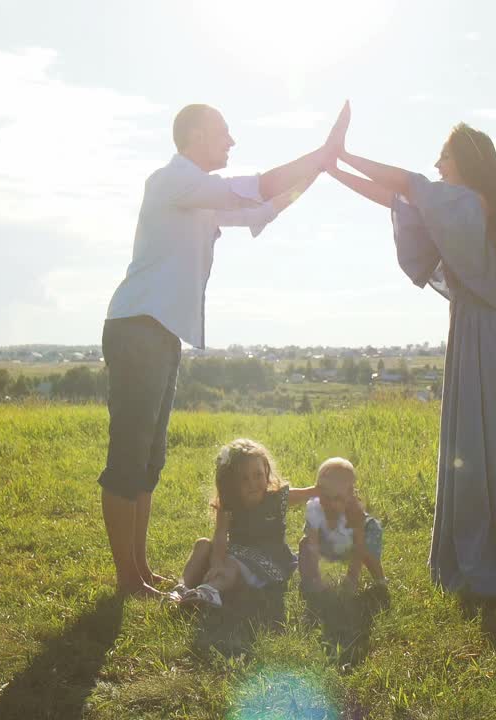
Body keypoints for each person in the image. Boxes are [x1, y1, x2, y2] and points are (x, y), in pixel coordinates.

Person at [99, 103, 346, 598]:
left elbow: (265, 205)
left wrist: (318, 171)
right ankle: (128, 580)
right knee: (129, 457)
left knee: (149, 460)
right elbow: (259, 185)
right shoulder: (174, 180)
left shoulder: (201, 196)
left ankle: (140, 572)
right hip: (137, 328)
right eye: (223, 133)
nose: (231, 142)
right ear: (195, 135)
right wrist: (320, 153)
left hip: (160, 332)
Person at [325, 104, 496, 597]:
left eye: (445, 157)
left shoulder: (469, 203)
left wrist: (343, 153)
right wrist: (333, 170)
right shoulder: (471, 206)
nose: (438, 165)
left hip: (491, 344)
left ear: (466, 161)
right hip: (491, 341)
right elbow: (397, 197)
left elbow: (407, 184)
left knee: (494, 456)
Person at [171, 439, 318, 608]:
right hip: (236, 553)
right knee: (202, 544)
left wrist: (328, 488)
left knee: (231, 565)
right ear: (232, 482)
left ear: (266, 471)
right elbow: (220, 535)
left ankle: (210, 591)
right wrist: (217, 563)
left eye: (258, 475)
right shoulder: (229, 504)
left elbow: (308, 493)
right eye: (244, 479)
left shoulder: (276, 498)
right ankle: (181, 589)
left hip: (268, 560)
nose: (252, 484)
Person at [298, 457, 386, 594]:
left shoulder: (354, 512)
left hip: (355, 542)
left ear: (349, 495)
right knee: (305, 544)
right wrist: (314, 571)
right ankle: (310, 580)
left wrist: (352, 577)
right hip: (329, 541)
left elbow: (359, 546)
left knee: (368, 553)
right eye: (324, 495)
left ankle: (380, 580)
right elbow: (313, 540)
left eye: (336, 498)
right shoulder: (315, 507)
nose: (329, 503)